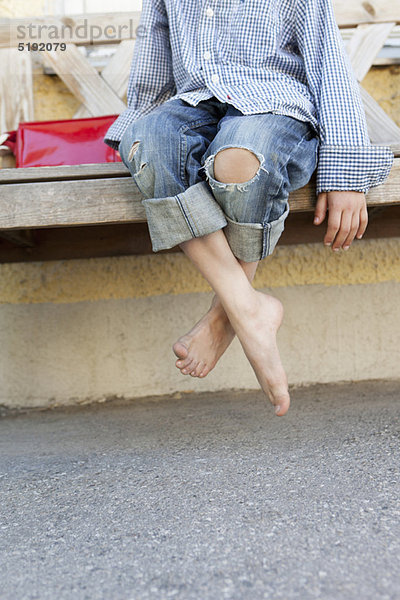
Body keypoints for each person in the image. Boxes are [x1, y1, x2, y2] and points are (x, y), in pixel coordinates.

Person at [104, 0, 394, 417]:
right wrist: (138, 138)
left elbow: (329, 67)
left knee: (239, 160)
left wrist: (346, 172)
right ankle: (246, 306)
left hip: (274, 107)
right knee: (148, 143)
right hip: (194, 105)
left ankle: (227, 314)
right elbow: (152, 69)